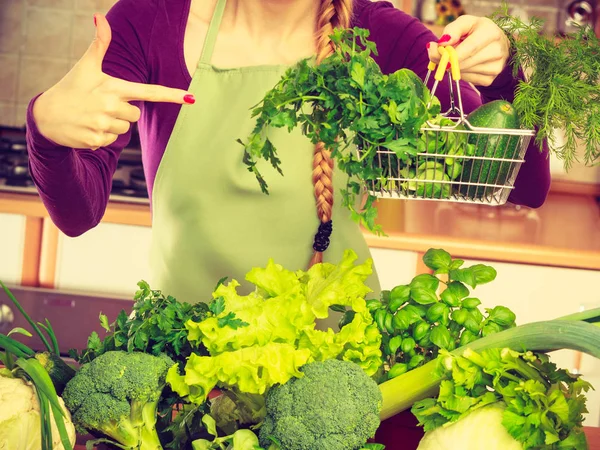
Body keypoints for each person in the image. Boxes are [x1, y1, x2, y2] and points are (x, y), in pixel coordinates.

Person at [26, 0, 550, 308]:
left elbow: (525, 185)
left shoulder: (384, 36)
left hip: (337, 364)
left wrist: (504, 73)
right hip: (181, 361)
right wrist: (47, 127)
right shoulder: (150, 19)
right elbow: (78, 213)